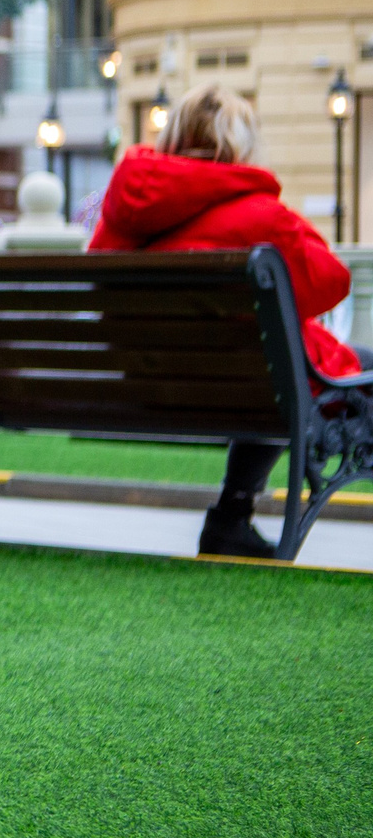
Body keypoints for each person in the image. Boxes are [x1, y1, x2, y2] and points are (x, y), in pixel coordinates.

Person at [89, 83, 360, 558]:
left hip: (148, 377)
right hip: (247, 378)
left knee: (265, 363)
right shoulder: (262, 215)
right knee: (292, 369)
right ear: (239, 145)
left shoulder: (121, 212)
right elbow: (330, 282)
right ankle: (232, 515)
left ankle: (230, 521)